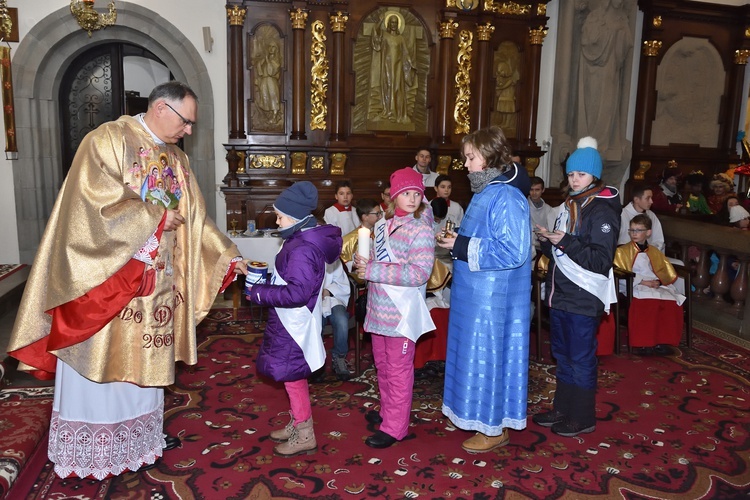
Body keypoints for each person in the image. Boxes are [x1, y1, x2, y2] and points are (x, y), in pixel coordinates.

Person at [6, 81, 248, 479]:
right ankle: (97, 451)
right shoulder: (107, 140)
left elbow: (197, 220)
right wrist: (153, 219)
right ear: (161, 109)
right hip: (109, 285)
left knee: (144, 369)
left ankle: (139, 441)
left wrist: (227, 255)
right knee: (103, 367)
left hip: (155, 289)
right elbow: (90, 206)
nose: (189, 131)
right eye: (186, 122)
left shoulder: (175, 159)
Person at [437, 126, 532, 453]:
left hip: (494, 301)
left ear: (489, 157)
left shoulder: (506, 195)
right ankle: (474, 416)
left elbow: (514, 251)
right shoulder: (486, 191)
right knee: (471, 356)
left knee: (489, 359)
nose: (465, 164)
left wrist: (461, 245)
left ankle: (493, 429)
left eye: (470, 157)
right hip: (475, 297)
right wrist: (456, 242)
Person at [247, 181, 343, 457]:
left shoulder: (302, 248)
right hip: (290, 320)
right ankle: (297, 422)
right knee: (291, 375)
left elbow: (297, 293)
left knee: (293, 377)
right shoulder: (299, 239)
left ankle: (304, 434)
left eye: (279, 216)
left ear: (295, 216)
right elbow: (290, 279)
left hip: (294, 323)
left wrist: (260, 293)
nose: (276, 221)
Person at [534, 136, 621, 437]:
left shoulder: (602, 210)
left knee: (581, 358)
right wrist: (548, 243)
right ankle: (563, 408)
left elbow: (600, 260)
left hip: (583, 296)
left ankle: (582, 416)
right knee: (563, 354)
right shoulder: (569, 205)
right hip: (562, 293)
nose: (574, 179)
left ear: (594, 175)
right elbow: (563, 254)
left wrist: (565, 241)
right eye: (571, 174)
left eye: (580, 174)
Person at [353, 167, 435, 449]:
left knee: (399, 372)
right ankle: (389, 413)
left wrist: (374, 269)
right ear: (394, 197)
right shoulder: (380, 227)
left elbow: (419, 274)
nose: (412, 198)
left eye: (416, 194)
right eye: (406, 193)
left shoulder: (421, 230)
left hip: (401, 315)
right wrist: (362, 260)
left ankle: (395, 427)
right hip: (378, 310)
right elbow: (374, 260)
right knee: (383, 368)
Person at [613, 214, 685, 355]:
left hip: (654, 284)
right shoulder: (622, 251)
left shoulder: (654, 251)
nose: (634, 234)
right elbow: (620, 273)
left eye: (638, 230)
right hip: (633, 284)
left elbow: (664, 271)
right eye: (632, 230)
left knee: (671, 301)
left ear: (648, 232)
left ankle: (662, 341)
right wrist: (642, 281)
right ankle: (643, 343)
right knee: (648, 302)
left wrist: (659, 281)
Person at [371, 12, 416, 124]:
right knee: (388, 87)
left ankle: (398, 114)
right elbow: (376, 37)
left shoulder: (400, 39)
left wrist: (411, 65)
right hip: (386, 67)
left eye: (396, 23)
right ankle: (387, 111)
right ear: (389, 24)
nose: (394, 25)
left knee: (397, 89)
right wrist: (380, 21)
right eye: (392, 22)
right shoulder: (385, 35)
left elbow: (405, 54)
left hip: (398, 68)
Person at [321, 259, 353, 381]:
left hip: (333, 298)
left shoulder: (332, 257)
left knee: (341, 320)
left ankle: (339, 356)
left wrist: (328, 290)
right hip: (314, 299)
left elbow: (341, 282)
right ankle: (318, 361)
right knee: (316, 323)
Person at [617, 184, 665, 252]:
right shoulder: (622, 215)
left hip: (649, 256)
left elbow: (658, 240)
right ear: (636, 199)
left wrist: (648, 253)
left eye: (651, 198)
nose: (651, 201)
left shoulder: (651, 215)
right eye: (647, 198)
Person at [528, 176, 556, 251]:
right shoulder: (523, 207)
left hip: (544, 246)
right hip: (528, 247)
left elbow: (551, 230)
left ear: (543, 190)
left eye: (537, 190)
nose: (534, 193)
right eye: (531, 190)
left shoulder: (549, 209)